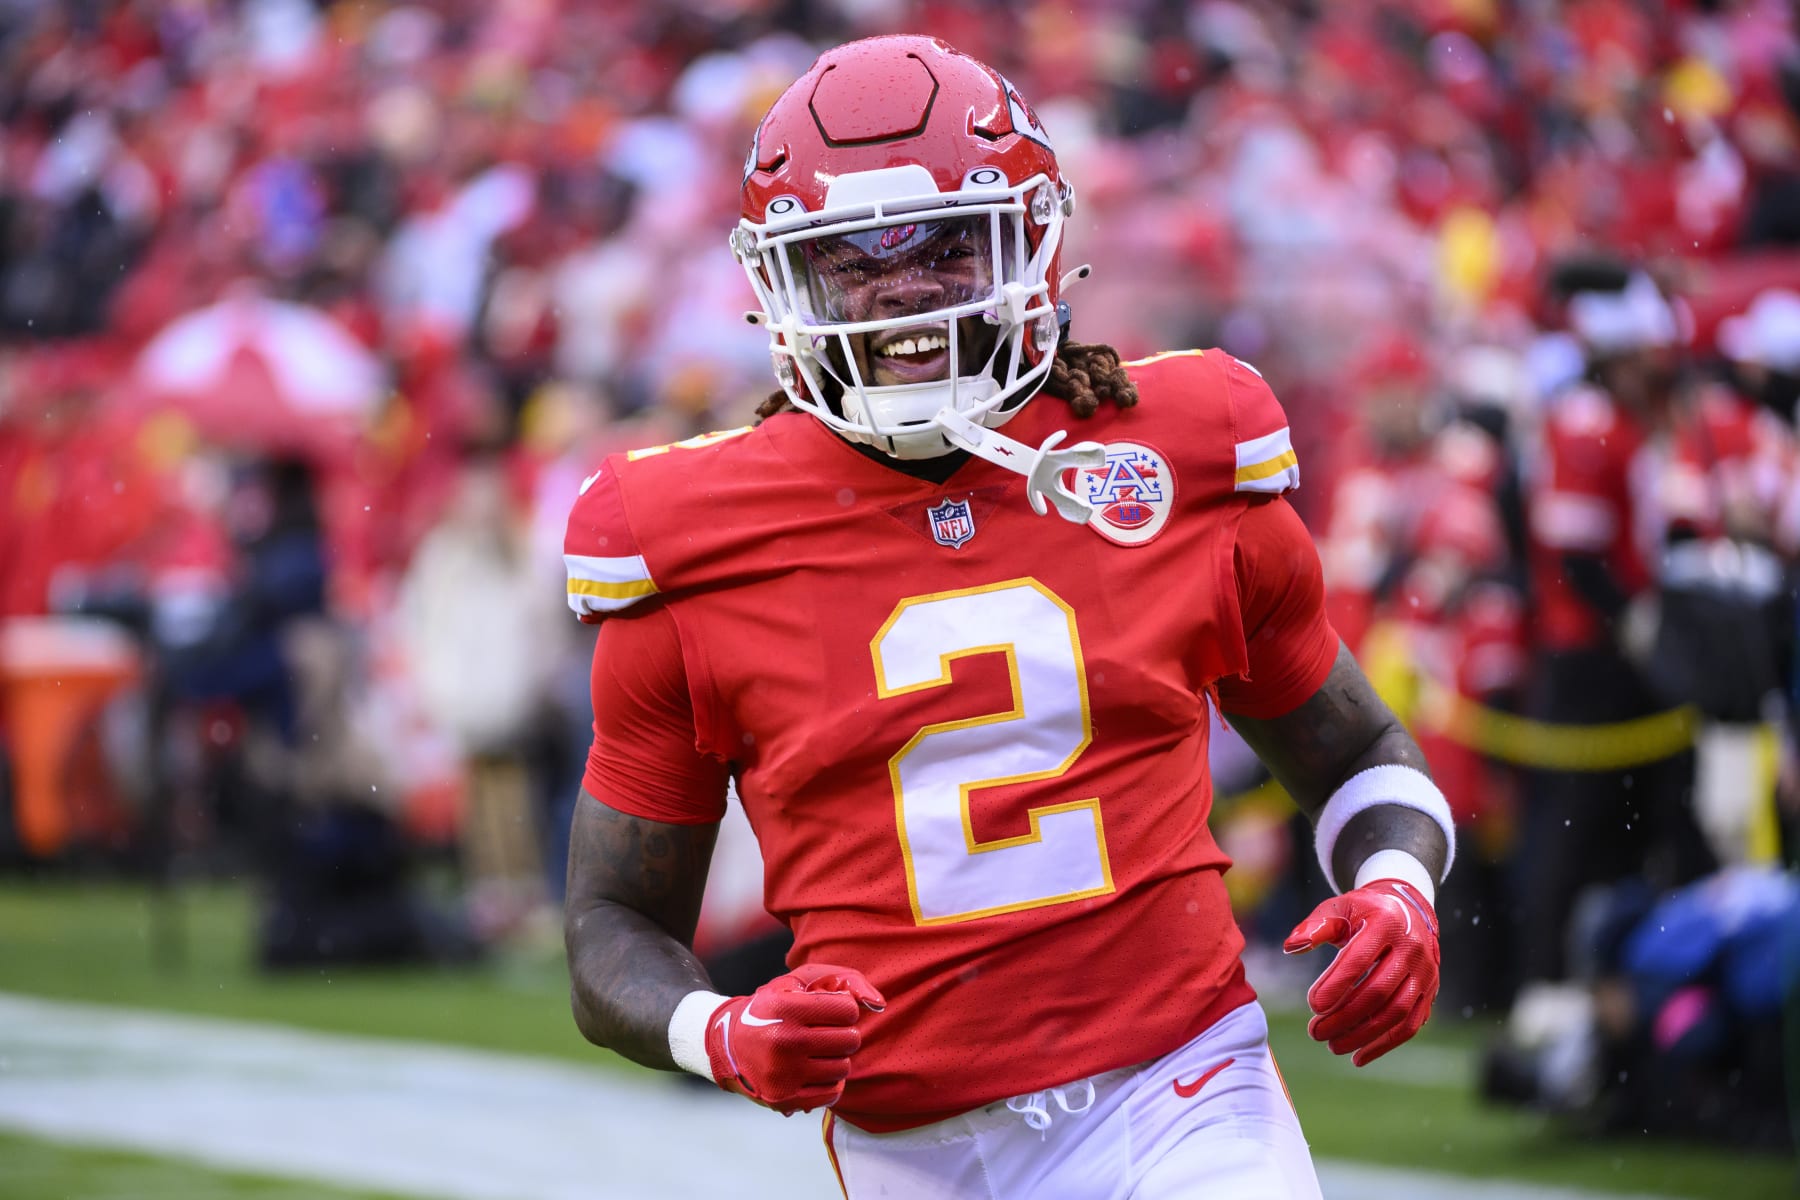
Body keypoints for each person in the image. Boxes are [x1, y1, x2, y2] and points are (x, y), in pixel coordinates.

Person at [562, 36, 1451, 1199]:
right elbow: (611, 922)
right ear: (781, 285)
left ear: (1032, 239)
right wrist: (716, 1030)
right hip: (912, 1150)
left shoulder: (1175, 455)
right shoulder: (688, 539)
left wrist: (1396, 886)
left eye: (944, 246)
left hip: (1180, 1091)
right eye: (849, 263)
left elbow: (1359, 751)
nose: (902, 294)